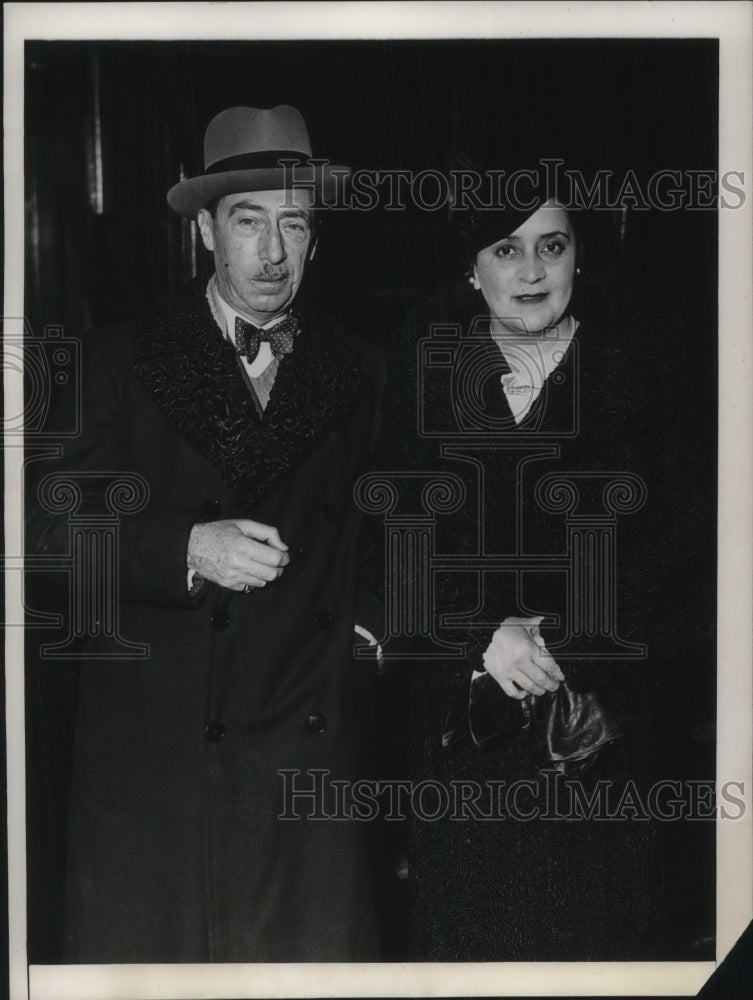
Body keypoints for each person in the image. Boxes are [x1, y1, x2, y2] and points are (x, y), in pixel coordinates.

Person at [27, 105, 385, 963]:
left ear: (316, 238)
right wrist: (183, 547)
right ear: (203, 233)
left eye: (292, 224)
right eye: (247, 222)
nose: (272, 253)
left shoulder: (362, 368)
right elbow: (38, 525)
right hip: (160, 779)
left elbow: (392, 527)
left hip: (306, 776)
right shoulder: (116, 361)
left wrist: (365, 632)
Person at [370, 165, 709, 960]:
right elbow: (389, 539)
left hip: (599, 736)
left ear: (577, 256)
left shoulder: (643, 362)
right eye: (505, 248)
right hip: (463, 742)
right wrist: (481, 633)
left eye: (550, 246)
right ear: (470, 266)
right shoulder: (424, 367)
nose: (530, 271)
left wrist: (560, 639)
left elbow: (694, 553)